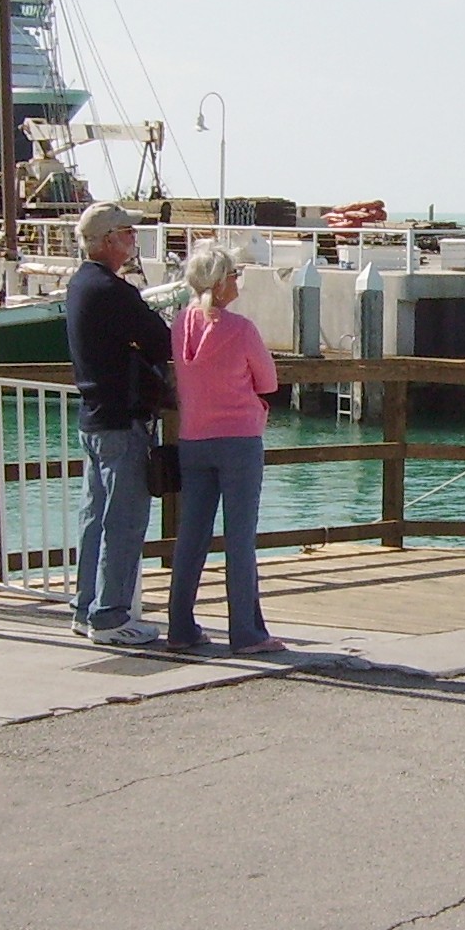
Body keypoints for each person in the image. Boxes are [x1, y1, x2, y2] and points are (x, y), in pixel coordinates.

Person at [65, 201, 174, 646]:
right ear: (108, 240)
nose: (134, 241)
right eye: (128, 234)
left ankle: (84, 605)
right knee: (124, 518)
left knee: (94, 516)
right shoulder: (114, 291)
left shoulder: (79, 285)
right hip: (121, 421)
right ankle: (110, 616)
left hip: (92, 417)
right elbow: (161, 339)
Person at [166, 242, 281, 654]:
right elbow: (267, 381)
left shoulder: (181, 324)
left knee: (191, 535)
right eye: (233, 274)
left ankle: (180, 626)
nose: (238, 281)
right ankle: (246, 631)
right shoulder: (241, 329)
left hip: (194, 438)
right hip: (238, 439)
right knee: (240, 537)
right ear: (219, 281)